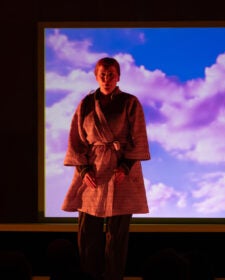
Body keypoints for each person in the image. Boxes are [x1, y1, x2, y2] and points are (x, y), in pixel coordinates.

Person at [62, 57, 151, 280]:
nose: (106, 78)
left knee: (117, 234)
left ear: (118, 76)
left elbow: (138, 138)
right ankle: (88, 276)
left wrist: (125, 167)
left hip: (121, 172)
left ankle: (113, 277)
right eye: (102, 74)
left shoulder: (130, 102)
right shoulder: (86, 104)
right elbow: (76, 140)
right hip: (93, 170)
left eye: (111, 74)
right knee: (87, 232)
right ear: (96, 76)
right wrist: (83, 170)